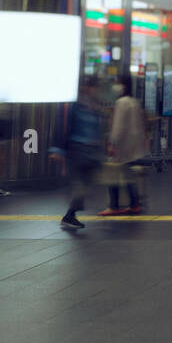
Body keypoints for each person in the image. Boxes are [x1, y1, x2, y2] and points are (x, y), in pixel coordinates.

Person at [99, 73, 147, 215]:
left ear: (123, 85)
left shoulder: (121, 103)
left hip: (122, 146)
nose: (115, 86)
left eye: (117, 82)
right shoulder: (134, 102)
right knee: (128, 175)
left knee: (112, 175)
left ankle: (113, 206)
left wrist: (112, 143)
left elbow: (118, 127)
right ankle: (134, 204)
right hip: (133, 146)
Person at [61, 77, 105, 229]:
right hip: (77, 149)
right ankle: (69, 215)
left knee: (85, 185)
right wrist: (58, 149)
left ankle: (70, 214)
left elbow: (97, 129)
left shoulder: (95, 106)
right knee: (80, 186)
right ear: (86, 88)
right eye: (94, 87)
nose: (97, 91)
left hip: (91, 151)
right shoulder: (75, 106)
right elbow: (64, 127)